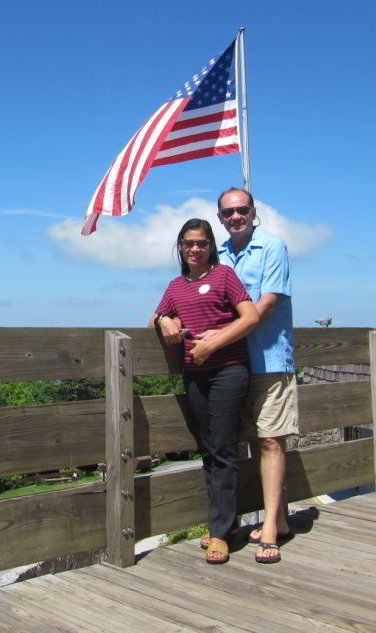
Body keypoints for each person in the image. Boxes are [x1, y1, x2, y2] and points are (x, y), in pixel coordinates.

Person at [149, 218, 259, 564]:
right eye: (188, 243)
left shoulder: (224, 276)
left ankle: (221, 533)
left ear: (211, 246)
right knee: (208, 450)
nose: (195, 249)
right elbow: (154, 317)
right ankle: (220, 524)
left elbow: (250, 317)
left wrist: (213, 346)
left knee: (223, 449)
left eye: (201, 243)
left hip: (228, 372)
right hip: (194, 376)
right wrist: (164, 320)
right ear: (179, 247)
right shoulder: (175, 286)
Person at [216, 187, 298, 564]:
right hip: (234, 363)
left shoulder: (273, 247)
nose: (236, 217)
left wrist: (216, 337)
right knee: (251, 439)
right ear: (220, 217)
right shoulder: (216, 254)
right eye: (229, 212)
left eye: (242, 210)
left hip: (268, 360)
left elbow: (266, 304)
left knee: (269, 442)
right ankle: (278, 519)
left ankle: (269, 527)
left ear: (254, 211)